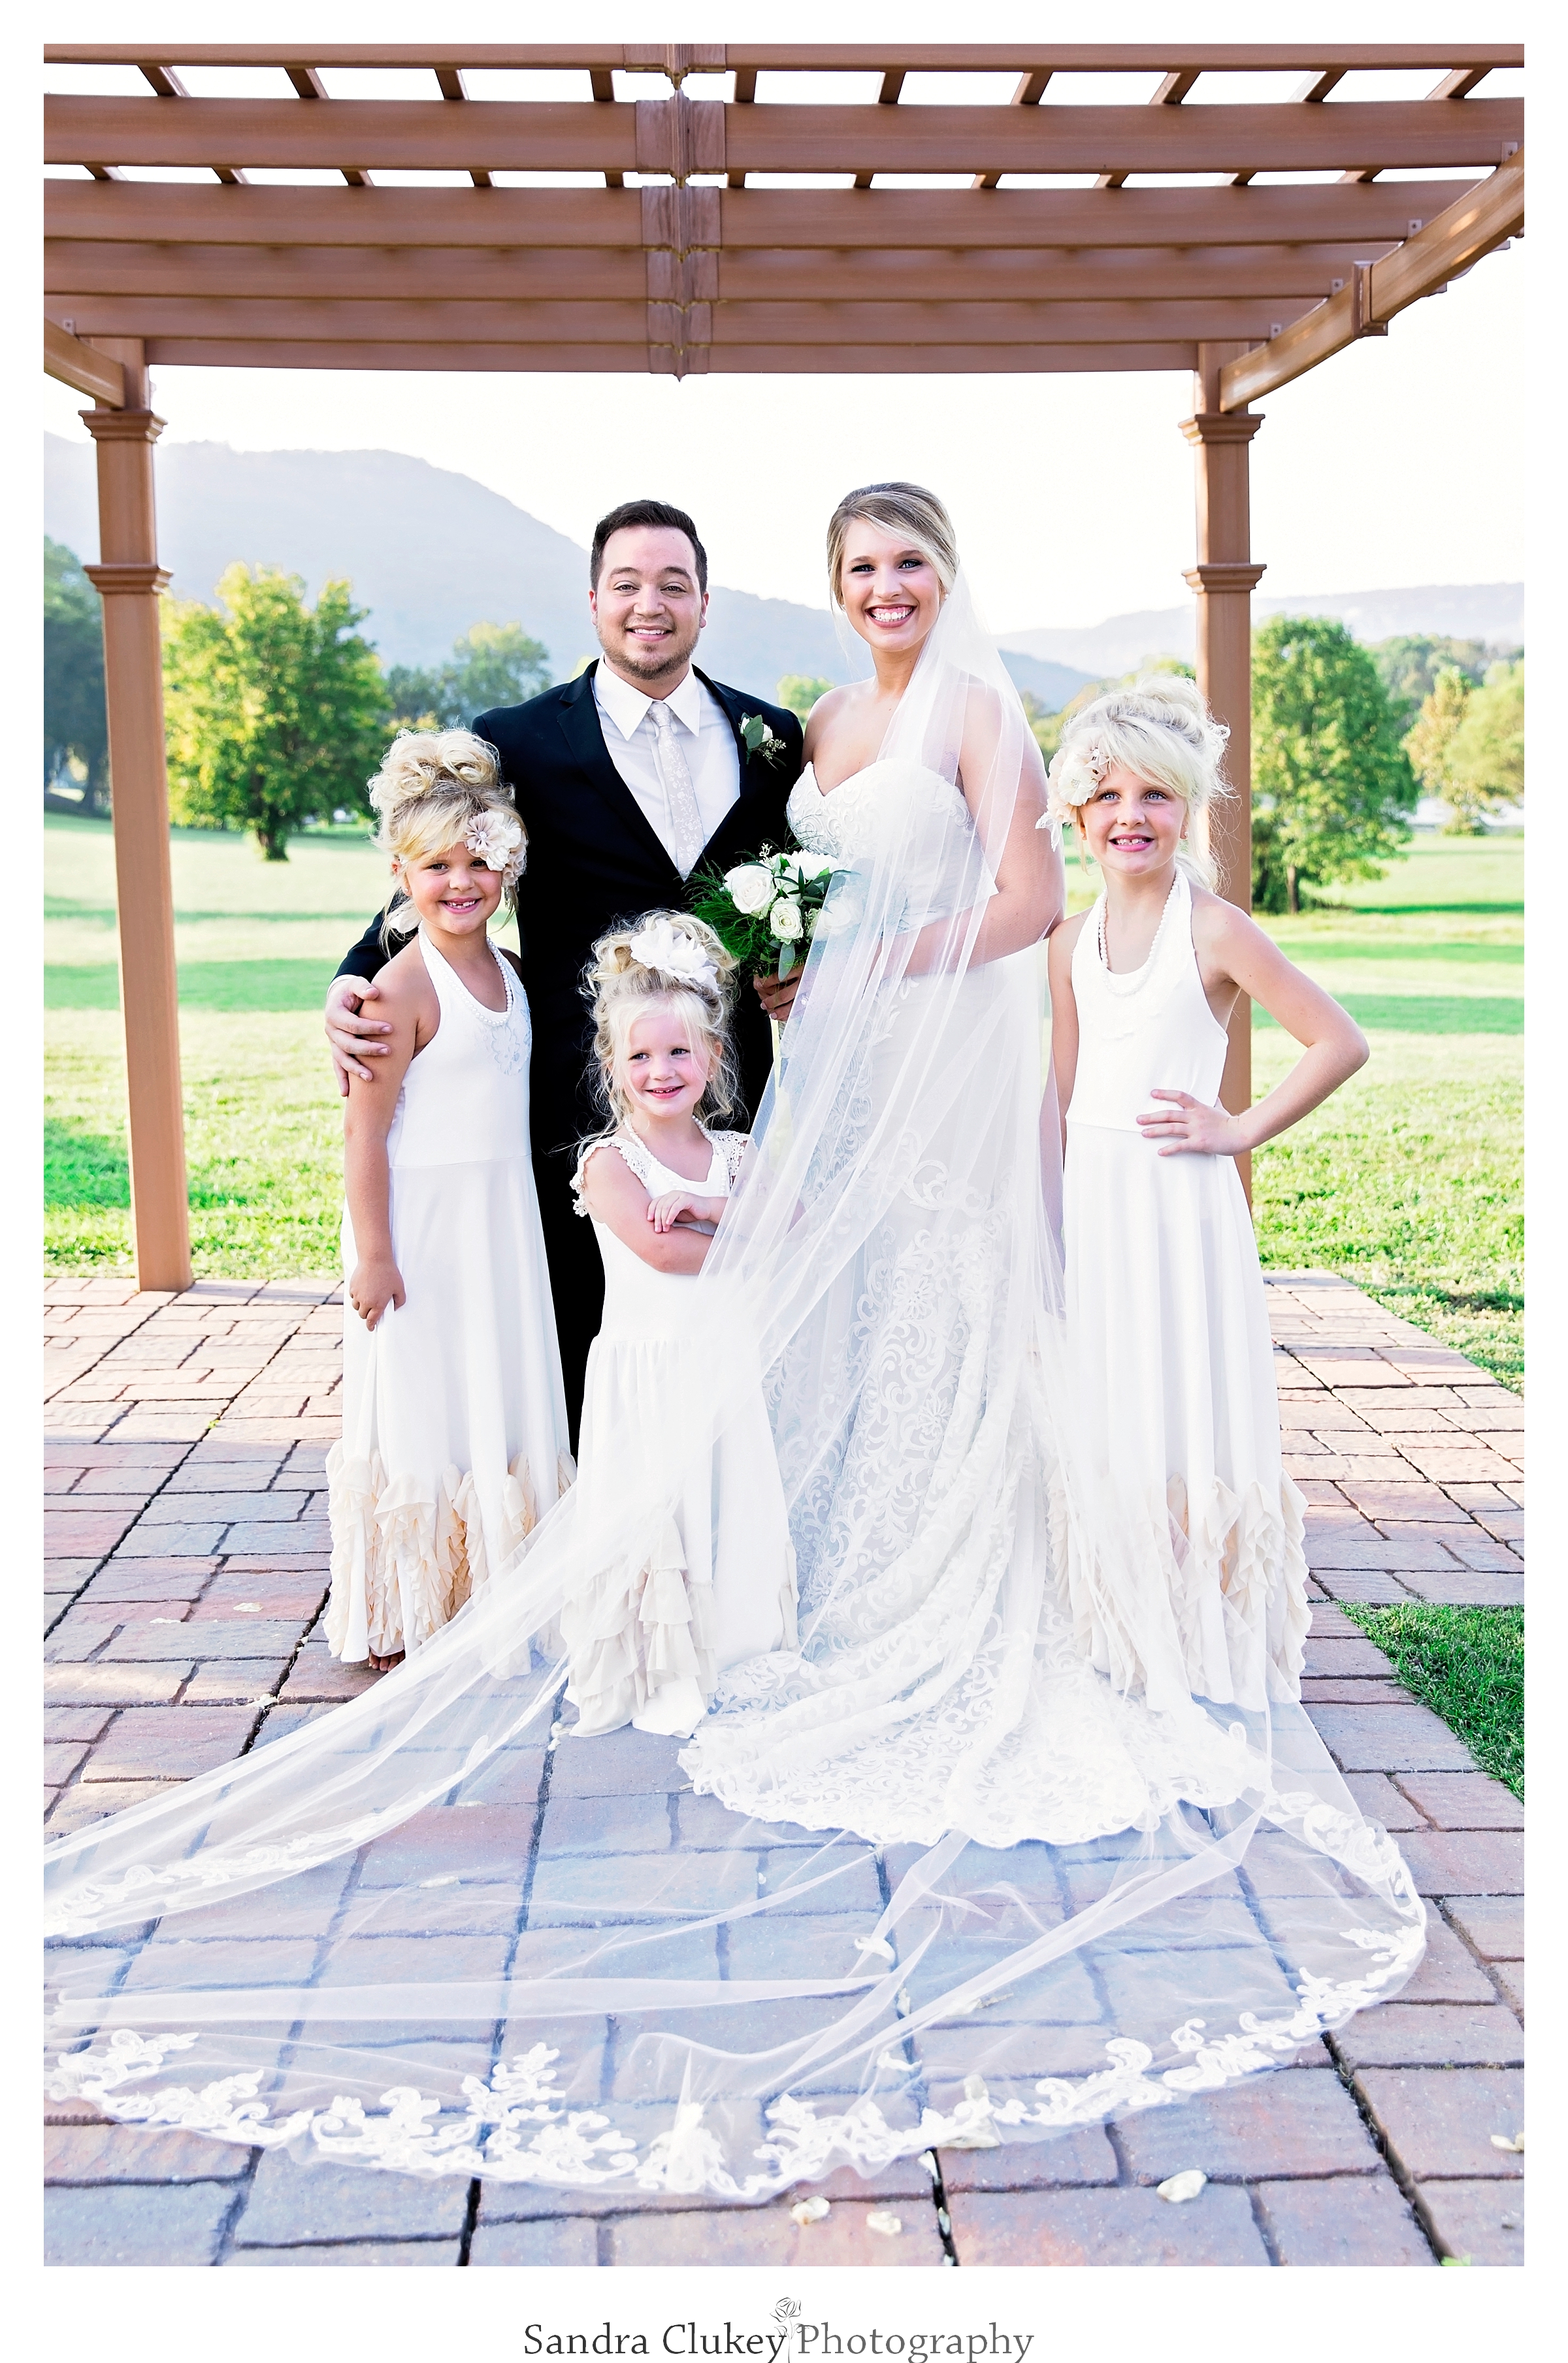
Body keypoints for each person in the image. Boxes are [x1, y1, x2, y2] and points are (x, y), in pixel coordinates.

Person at [46, 487, 1424, 2201]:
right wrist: (359, 974)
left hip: (938, 1057)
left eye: (907, 560)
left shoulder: (888, 721)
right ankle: (783, 1567)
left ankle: (962, 1571)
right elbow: (447, 872)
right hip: (739, 1078)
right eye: (857, 567)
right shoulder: (767, 728)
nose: (882, 587)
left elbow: (1022, 896)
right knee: (794, 1326)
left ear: (925, 575)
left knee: (952, 1306)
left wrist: (867, 966)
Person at [322, 501, 803, 1442]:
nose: (649, 604)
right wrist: (354, 973)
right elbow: (443, 861)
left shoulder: (772, 735)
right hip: (577, 1091)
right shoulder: (522, 738)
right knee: (586, 1327)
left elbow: (795, 886)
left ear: (706, 602)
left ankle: (727, 1521)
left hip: (725, 1078)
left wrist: (799, 971)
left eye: (673, 584)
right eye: (626, 584)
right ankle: (604, 1544)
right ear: (593, 601)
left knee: (729, 1316)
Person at [1045, 677, 1368, 1714]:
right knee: (1118, 1406)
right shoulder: (1068, 944)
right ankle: (1125, 1619)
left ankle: (1200, 1633)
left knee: (1184, 1400)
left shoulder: (1216, 930)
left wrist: (1238, 1130)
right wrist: (1043, 1215)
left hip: (1179, 1209)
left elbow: (1340, 1041)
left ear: (1188, 808)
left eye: (1157, 797)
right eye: (1110, 799)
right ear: (1078, 815)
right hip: (1098, 1202)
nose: (1131, 817)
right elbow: (1063, 1089)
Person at [325, 730, 570, 1672]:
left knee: (495, 1390)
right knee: (429, 1403)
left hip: (498, 1223)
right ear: (400, 873)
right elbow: (365, 1133)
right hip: (421, 1233)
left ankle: (502, 1585)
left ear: (507, 867)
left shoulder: (507, 974)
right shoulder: (400, 988)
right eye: (436, 867)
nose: (460, 884)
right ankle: (416, 1602)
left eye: (479, 863)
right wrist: (376, 1254)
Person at [561, 913, 796, 1740]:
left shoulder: (734, 1155)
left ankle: (739, 1644)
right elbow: (664, 1260)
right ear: (614, 1068)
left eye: (679, 1053)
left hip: (721, 1371)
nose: (661, 1071)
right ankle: (662, 1663)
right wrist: (745, 1234)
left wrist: (704, 1205)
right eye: (641, 1056)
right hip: (649, 1377)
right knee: (663, 1513)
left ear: (714, 1059)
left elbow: (790, 1220)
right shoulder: (608, 1160)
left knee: (729, 1506)